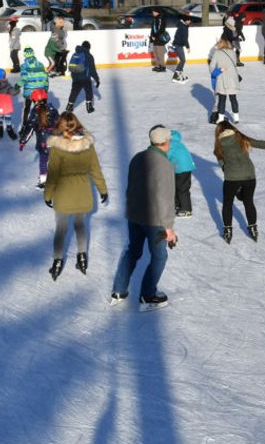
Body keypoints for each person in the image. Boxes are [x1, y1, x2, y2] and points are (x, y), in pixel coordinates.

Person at [111, 125, 178, 309]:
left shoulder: (137, 158)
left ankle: (119, 291)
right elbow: (165, 197)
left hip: (134, 215)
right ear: (165, 143)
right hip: (154, 220)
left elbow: (130, 188)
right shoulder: (164, 164)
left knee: (133, 251)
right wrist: (169, 228)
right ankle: (148, 296)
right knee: (160, 257)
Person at [44, 112, 108, 281]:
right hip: (83, 193)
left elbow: (53, 174)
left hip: (64, 194)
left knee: (61, 230)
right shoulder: (87, 144)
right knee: (80, 226)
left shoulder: (58, 147)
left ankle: (57, 263)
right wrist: (103, 190)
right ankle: (82, 258)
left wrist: (48, 194)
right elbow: (95, 169)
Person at [214, 121, 265, 244]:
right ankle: (253, 228)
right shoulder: (240, 137)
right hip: (249, 176)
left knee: (227, 203)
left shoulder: (219, 143)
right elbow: (261, 144)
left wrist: (223, 167)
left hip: (232, 178)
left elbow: (219, 158)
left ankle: (228, 230)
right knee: (248, 201)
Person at [19, 89, 59, 189]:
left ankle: (43, 181)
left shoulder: (34, 112)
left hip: (43, 143)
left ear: (34, 100)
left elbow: (30, 128)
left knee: (43, 161)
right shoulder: (52, 109)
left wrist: (23, 141)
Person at [208, 38, 240, 124]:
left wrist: (219, 70)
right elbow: (235, 63)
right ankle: (236, 117)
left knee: (222, 99)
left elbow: (211, 67)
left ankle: (221, 118)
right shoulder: (233, 52)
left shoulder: (217, 53)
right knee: (233, 98)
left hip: (222, 79)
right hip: (233, 79)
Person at [65, 41, 100, 113]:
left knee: (74, 91)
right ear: (88, 48)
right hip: (85, 78)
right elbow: (92, 70)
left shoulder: (75, 53)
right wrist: (97, 79)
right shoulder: (89, 56)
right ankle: (89, 107)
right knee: (88, 91)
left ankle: (69, 106)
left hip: (75, 76)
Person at [168, 129, 196, 217]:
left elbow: (166, 155)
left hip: (181, 168)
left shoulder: (171, 144)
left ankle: (187, 210)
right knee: (177, 187)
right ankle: (177, 205)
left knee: (182, 189)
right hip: (185, 168)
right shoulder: (178, 143)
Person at [0, 68, 20, 139]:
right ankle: (9, 130)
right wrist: (17, 88)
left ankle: (0, 130)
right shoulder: (7, 86)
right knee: (7, 117)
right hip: (6, 106)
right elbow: (14, 92)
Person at [170, 13, 191, 83]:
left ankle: (179, 75)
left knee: (182, 60)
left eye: (189, 20)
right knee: (183, 60)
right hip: (178, 45)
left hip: (178, 45)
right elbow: (185, 39)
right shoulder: (184, 27)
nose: (189, 21)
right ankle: (176, 76)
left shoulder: (183, 25)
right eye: (188, 20)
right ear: (185, 21)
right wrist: (188, 47)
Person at [149, 8, 168, 72]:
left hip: (160, 39)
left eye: (154, 12)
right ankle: (157, 66)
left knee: (160, 54)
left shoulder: (161, 19)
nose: (153, 13)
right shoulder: (154, 19)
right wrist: (151, 37)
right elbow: (152, 29)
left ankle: (163, 66)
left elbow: (161, 30)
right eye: (153, 12)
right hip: (154, 39)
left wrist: (154, 36)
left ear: (158, 12)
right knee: (155, 53)